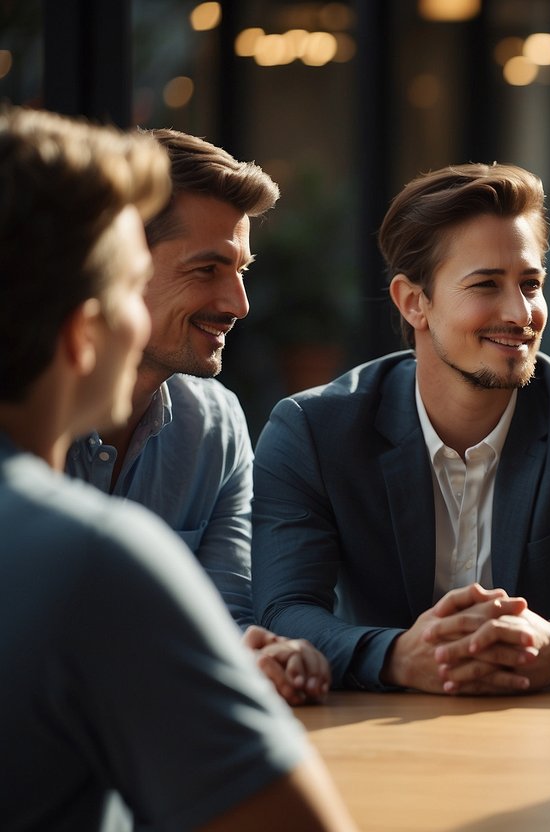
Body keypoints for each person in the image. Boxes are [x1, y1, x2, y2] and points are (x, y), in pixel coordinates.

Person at [0, 106, 354, 830]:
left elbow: (228, 633)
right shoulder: (90, 556)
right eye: (123, 282)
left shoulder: (212, 425)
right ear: (82, 325)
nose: (239, 303)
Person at [252, 162, 550, 694]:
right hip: (372, 738)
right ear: (414, 302)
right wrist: (394, 656)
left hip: (541, 731)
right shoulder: (313, 432)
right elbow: (284, 611)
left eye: (530, 284)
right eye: (486, 285)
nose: (520, 312)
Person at [64, 128, 330, 706]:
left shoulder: (214, 424)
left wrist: (258, 655)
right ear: (117, 263)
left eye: (241, 270)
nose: (238, 303)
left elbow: (223, 617)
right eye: (207, 269)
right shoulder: (23, 415)